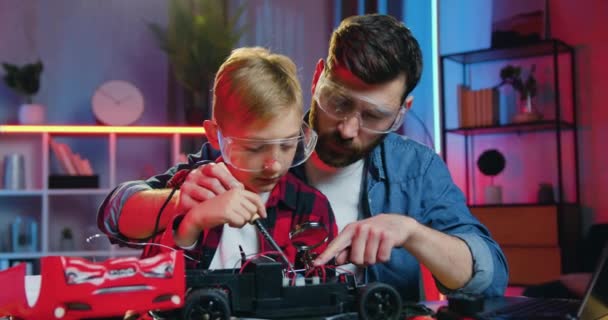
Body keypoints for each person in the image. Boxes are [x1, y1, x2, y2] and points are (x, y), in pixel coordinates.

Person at [98, 14, 508, 301]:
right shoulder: (252, 147)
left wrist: (413, 233)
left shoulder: (415, 169)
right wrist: (180, 206)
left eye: (374, 116)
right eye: (338, 102)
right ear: (317, 78)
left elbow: (488, 277)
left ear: (402, 111)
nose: (347, 128)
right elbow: (117, 213)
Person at [99, 47, 338, 271]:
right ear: (215, 136)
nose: (273, 165)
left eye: (287, 145)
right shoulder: (192, 183)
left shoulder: (311, 207)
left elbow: (325, 289)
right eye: (255, 148)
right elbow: (113, 216)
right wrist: (189, 219)